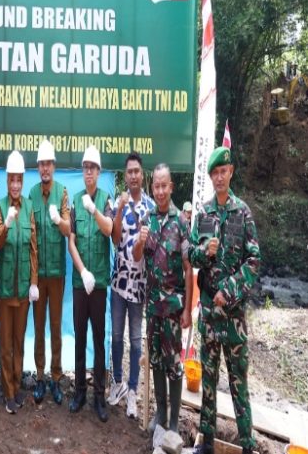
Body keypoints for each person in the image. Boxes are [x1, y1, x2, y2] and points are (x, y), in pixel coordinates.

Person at [189, 147, 260, 454]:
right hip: (208, 315)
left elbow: (254, 260)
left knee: (238, 383)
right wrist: (204, 253)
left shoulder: (242, 213)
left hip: (233, 318)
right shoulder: (203, 214)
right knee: (207, 380)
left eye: (223, 171)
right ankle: (205, 441)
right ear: (211, 177)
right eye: (214, 173)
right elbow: (190, 254)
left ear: (231, 172)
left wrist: (229, 289)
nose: (219, 177)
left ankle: (246, 444)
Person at [133, 163, 194, 437]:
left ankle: (173, 419)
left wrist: (187, 311)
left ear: (171, 187)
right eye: (155, 186)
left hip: (173, 308)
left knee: (174, 365)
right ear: (152, 188)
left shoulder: (181, 221)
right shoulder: (146, 219)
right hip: (153, 307)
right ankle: (160, 410)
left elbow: (189, 267)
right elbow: (136, 257)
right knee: (156, 360)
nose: (159, 191)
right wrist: (139, 240)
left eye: (163, 185)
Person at [67, 145, 114, 422]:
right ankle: (79, 393)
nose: (88, 173)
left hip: (99, 283)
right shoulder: (75, 199)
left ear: (99, 172)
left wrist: (94, 209)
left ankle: (99, 396)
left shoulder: (106, 199)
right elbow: (71, 240)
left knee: (98, 338)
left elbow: (108, 228)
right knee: (80, 338)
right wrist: (82, 271)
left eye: (93, 168)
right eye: (85, 168)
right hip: (80, 280)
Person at [0, 150, 39, 415]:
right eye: (12, 180)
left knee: (20, 340)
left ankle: (17, 385)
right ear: (8, 181)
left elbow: (33, 248)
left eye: (19, 180)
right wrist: (6, 223)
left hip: (23, 288)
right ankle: (8, 392)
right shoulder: (0, 207)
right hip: (5, 288)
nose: (16, 185)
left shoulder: (30, 206)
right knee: (6, 341)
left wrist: (33, 281)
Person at [109, 152, 155, 418]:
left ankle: (134, 392)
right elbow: (115, 239)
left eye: (137, 171)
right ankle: (118, 384)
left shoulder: (149, 207)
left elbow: (146, 249)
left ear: (142, 173)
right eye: (129, 172)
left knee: (136, 340)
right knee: (116, 336)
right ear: (125, 176)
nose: (134, 176)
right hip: (118, 282)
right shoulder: (119, 201)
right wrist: (119, 211)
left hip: (138, 285)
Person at [28, 140, 71, 405]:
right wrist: (31, 279)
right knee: (38, 328)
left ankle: (56, 379)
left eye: (49, 163)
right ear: (38, 167)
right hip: (38, 275)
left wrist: (58, 219)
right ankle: (41, 378)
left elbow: (68, 231)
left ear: (54, 167)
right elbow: (29, 237)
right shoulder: (31, 194)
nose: (45, 168)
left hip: (57, 274)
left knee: (55, 327)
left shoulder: (63, 193)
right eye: (41, 164)